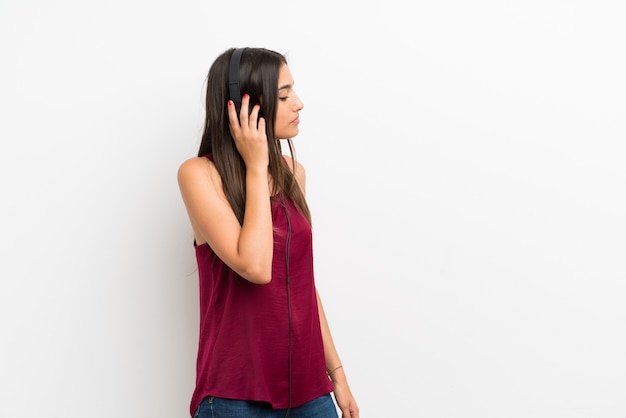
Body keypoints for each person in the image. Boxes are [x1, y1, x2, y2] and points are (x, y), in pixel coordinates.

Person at [177, 47, 360, 418]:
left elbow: (303, 282)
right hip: (233, 397)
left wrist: (337, 377)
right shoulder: (199, 175)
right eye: (284, 95)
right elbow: (257, 267)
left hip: (310, 394)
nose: (299, 104)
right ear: (245, 106)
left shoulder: (295, 174)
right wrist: (257, 166)